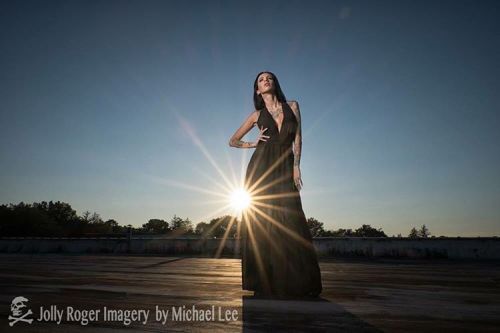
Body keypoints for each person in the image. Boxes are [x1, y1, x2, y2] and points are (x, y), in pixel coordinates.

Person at [229, 71, 322, 298]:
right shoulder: (256, 115)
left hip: (285, 163)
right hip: (260, 168)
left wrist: (297, 165)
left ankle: (301, 284)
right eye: (261, 80)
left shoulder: (293, 105)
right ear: (257, 90)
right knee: (262, 221)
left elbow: (298, 137)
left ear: (275, 83)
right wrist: (253, 143)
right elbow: (232, 141)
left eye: (269, 77)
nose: (265, 81)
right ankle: (263, 282)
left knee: (291, 218)